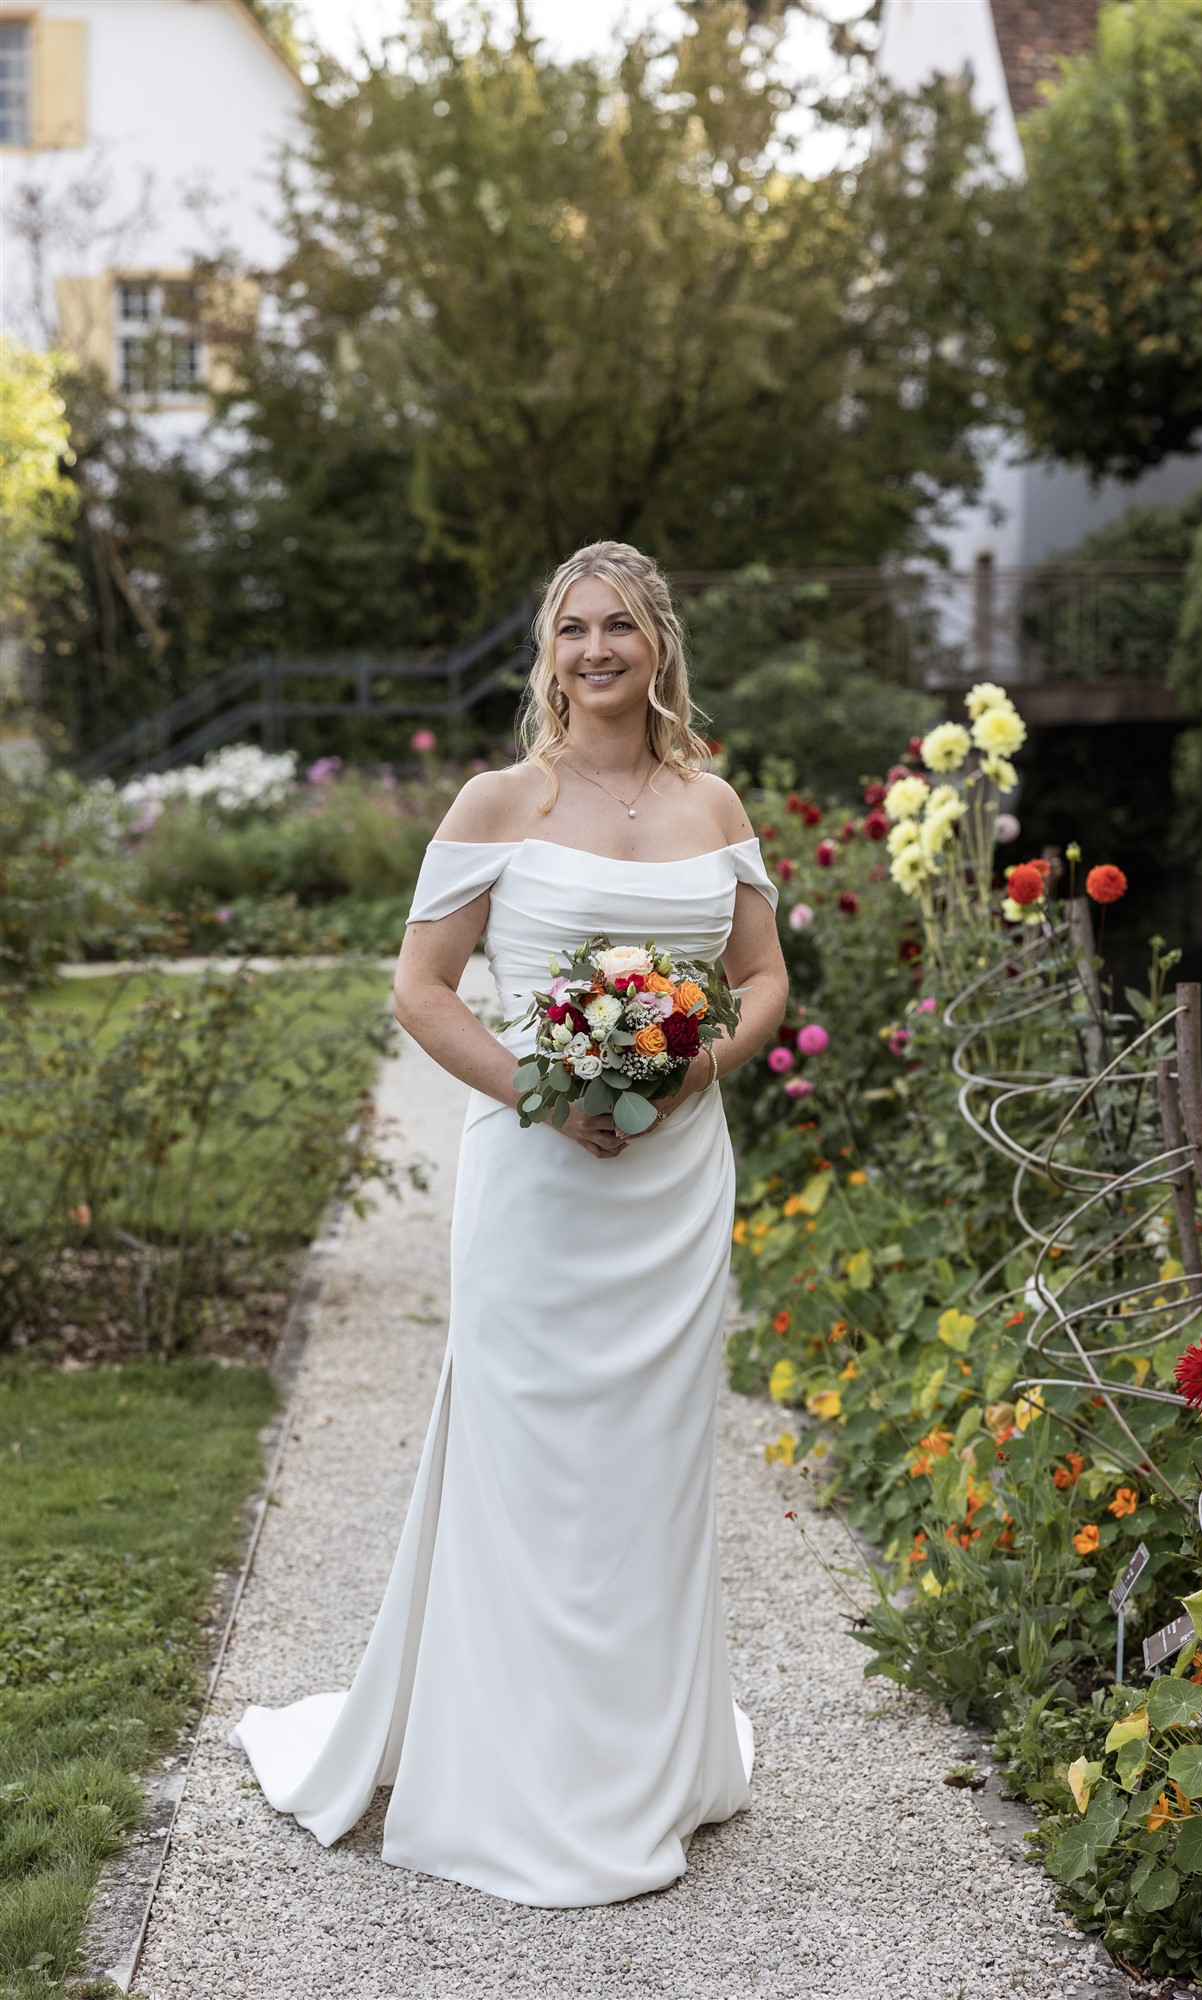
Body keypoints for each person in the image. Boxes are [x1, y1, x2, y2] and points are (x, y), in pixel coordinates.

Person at [227, 540, 789, 1908]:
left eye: (618, 629)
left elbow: (762, 975)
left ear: (657, 646)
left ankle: (642, 1764)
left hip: (672, 1179)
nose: (594, 651)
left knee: (648, 1476)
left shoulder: (710, 799)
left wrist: (693, 1066)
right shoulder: (500, 798)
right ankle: (513, 1773)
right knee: (530, 1464)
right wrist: (550, 1100)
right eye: (570, 630)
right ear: (548, 654)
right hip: (541, 1177)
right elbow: (424, 991)